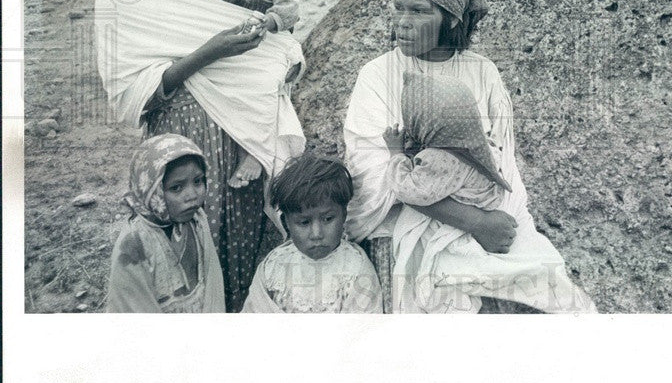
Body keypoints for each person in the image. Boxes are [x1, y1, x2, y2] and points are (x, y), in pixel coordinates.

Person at [95, 0, 306, 311]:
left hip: (238, 113)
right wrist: (210, 51)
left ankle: (240, 310)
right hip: (183, 129)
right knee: (196, 216)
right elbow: (136, 89)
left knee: (244, 213)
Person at [342, 0, 596, 314]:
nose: (402, 22)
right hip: (408, 214)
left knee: (552, 290)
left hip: (486, 207)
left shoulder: (482, 72)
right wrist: (473, 222)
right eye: (398, 8)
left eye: (418, 11)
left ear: (451, 19)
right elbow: (375, 171)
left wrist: (493, 220)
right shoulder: (377, 75)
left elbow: (502, 160)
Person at [383, 72, 591, 313]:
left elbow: (408, 190)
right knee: (535, 268)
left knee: (444, 282)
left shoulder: (438, 159)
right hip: (497, 208)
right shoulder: (480, 142)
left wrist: (396, 154)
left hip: (468, 229)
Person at [242, 153, 382, 313]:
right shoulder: (273, 267)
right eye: (304, 222)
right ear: (286, 222)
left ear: (344, 215)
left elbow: (364, 328)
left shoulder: (356, 269)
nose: (316, 234)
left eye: (328, 219)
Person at [106, 134, 225, 313]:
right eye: (176, 187)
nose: (192, 195)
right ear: (151, 191)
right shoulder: (134, 244)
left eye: (198, 181)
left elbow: (212, 288)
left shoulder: (197, 220)